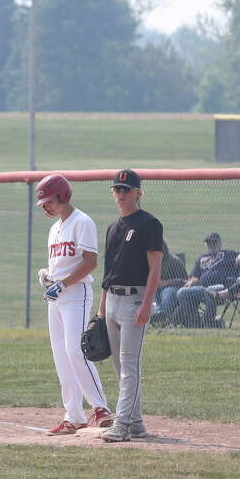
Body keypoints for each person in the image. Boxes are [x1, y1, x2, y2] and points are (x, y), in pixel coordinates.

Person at [34, 174, 113, 436]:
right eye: (43, 203)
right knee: (61, 356)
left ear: (63, 196)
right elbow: (63, 263)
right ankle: (74, 416)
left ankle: (100, 407)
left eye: (48, 201)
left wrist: (64, 283)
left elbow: (90, 262)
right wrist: (49, 274)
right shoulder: (55, 228)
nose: (45, 206)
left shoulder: (82, 222)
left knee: (76, 350)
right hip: (56, 297)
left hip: (76, 293)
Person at [98, 168, 163, 443]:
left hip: (135, 300)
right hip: (112, 299)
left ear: (138, 193)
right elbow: (108, 272)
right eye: (117, 189)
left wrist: (147, 304)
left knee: (129, 366)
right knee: (119, 366)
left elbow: (155, 269)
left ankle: (121, 424)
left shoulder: (150, 224)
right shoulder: (113, 227)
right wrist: (101, 311)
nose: (121, 193)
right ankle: (136, 424)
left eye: (127, 189)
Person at [172, 231, 240, 328]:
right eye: (208, 243)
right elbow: (193, 276)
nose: (211, 245)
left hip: (223, 289)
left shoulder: (228, 254)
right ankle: (195, 323)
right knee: (182, 292)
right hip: (202, 289)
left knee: (210, 291)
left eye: (213, 242)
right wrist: (192, 281)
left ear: (220, 243)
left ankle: (209, 323)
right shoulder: (201, 258)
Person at [152, 240, 189, 325]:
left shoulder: (174, 261)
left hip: (171, 289)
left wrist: (166, 283)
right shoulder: (149, 261)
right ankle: (154, 315)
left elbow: (185, 282)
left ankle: (165, 318)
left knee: (168, 292)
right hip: (154, 289)